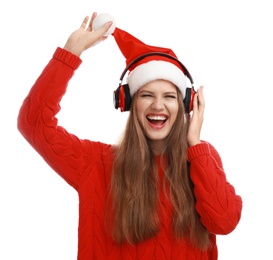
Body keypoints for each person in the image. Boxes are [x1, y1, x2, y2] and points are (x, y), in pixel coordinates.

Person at [17, 12, 243, 260]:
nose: (158, 105)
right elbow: (33, 123)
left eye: (169, 96)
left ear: (187, 104)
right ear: (129, 103)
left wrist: (195, 147)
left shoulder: (201, 158)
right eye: (147, 95)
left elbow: (225, 222)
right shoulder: (97, 163)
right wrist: (71, 52)